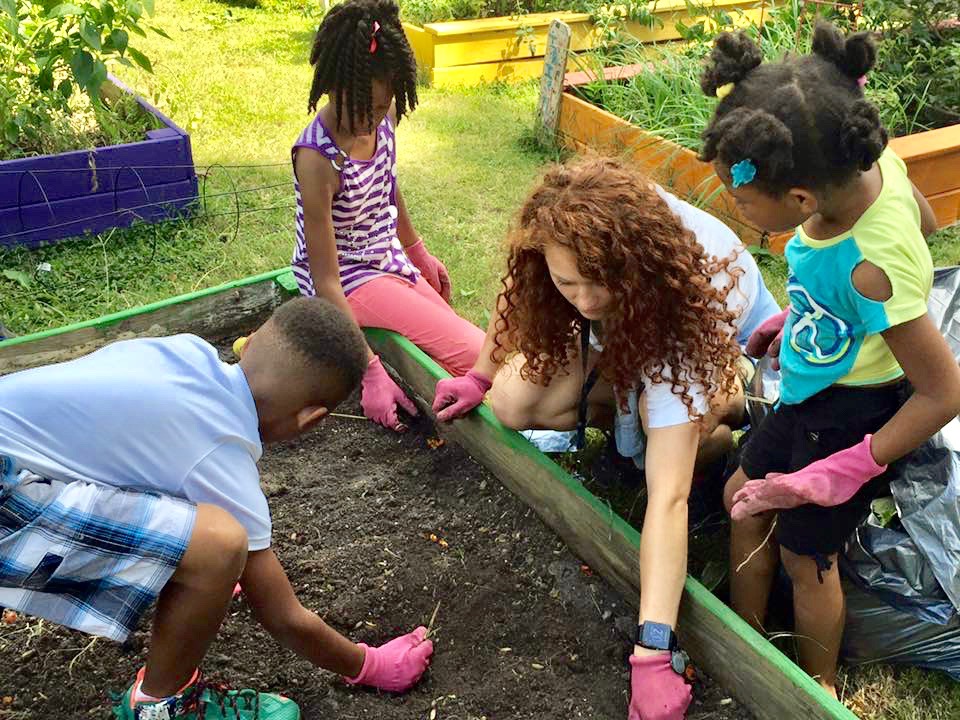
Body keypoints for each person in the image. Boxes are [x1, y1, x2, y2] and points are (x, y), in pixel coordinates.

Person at [432, 156, 780, 720]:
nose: (587, 301)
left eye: (600, 282)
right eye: (569, 283)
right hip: (634, 335)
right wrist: (479, 375)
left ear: (631, 262)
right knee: (517, 400)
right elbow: (519, 293)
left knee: (660, 455)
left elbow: (668, 499)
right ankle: (629, 419)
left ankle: (718, 424)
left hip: (721, 354)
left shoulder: (699, 281)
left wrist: (652, 649)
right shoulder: (562, 229)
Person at [0, 297, 434, 720]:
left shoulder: (185, 349)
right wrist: (370, 665)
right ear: (312, 419)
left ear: (250, 340)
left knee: (204, 549)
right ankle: (161, 707)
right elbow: (284, 617)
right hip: (8, 495)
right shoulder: (218, 454)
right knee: (220, 546)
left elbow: (120, 459)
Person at [698, 22, 960, 698]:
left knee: (804, 554)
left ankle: (809, 687)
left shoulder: (871, 265)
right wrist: (805, 317)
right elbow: (927, 220)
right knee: (740, 500)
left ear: (802, 200)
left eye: (739, 195)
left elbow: (943, 392)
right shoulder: (872, 170)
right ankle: (745, 640)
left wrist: (844, 472)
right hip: (812, 391)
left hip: (851, 416)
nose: (734, 202)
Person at [290, 0, 484, 432]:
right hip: (349, 278)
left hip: (385, 260)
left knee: (459, 336)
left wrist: (417, 253)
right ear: (332, 86)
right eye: (360, 109)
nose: (370, 121)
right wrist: (370, 372)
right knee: (475, 353)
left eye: (379, 110)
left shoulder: (385, 117)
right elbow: (326, 282)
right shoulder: (317, 158)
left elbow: (387, 183)